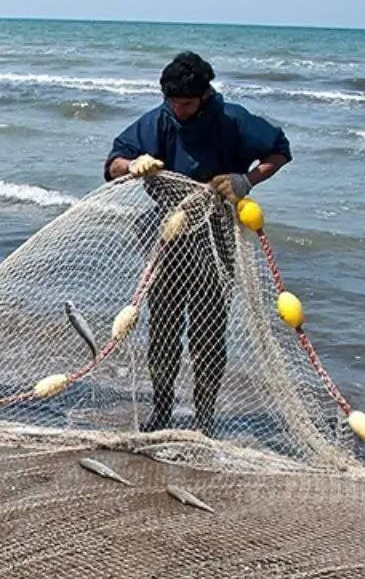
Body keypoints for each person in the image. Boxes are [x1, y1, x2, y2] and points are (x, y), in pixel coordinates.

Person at [104, 50, 291, 434]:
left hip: (217, 234)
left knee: (208, 328)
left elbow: (279, 152)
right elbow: (113, 163)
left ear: (205, 96)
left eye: (186, 103)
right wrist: (133, 164)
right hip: (167, 233)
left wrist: (247, 181)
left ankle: (205, 418)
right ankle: (162, 412)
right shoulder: (160, 120)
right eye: (172, 101)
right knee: (164, 326)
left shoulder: (232, 120)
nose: (179, 109)